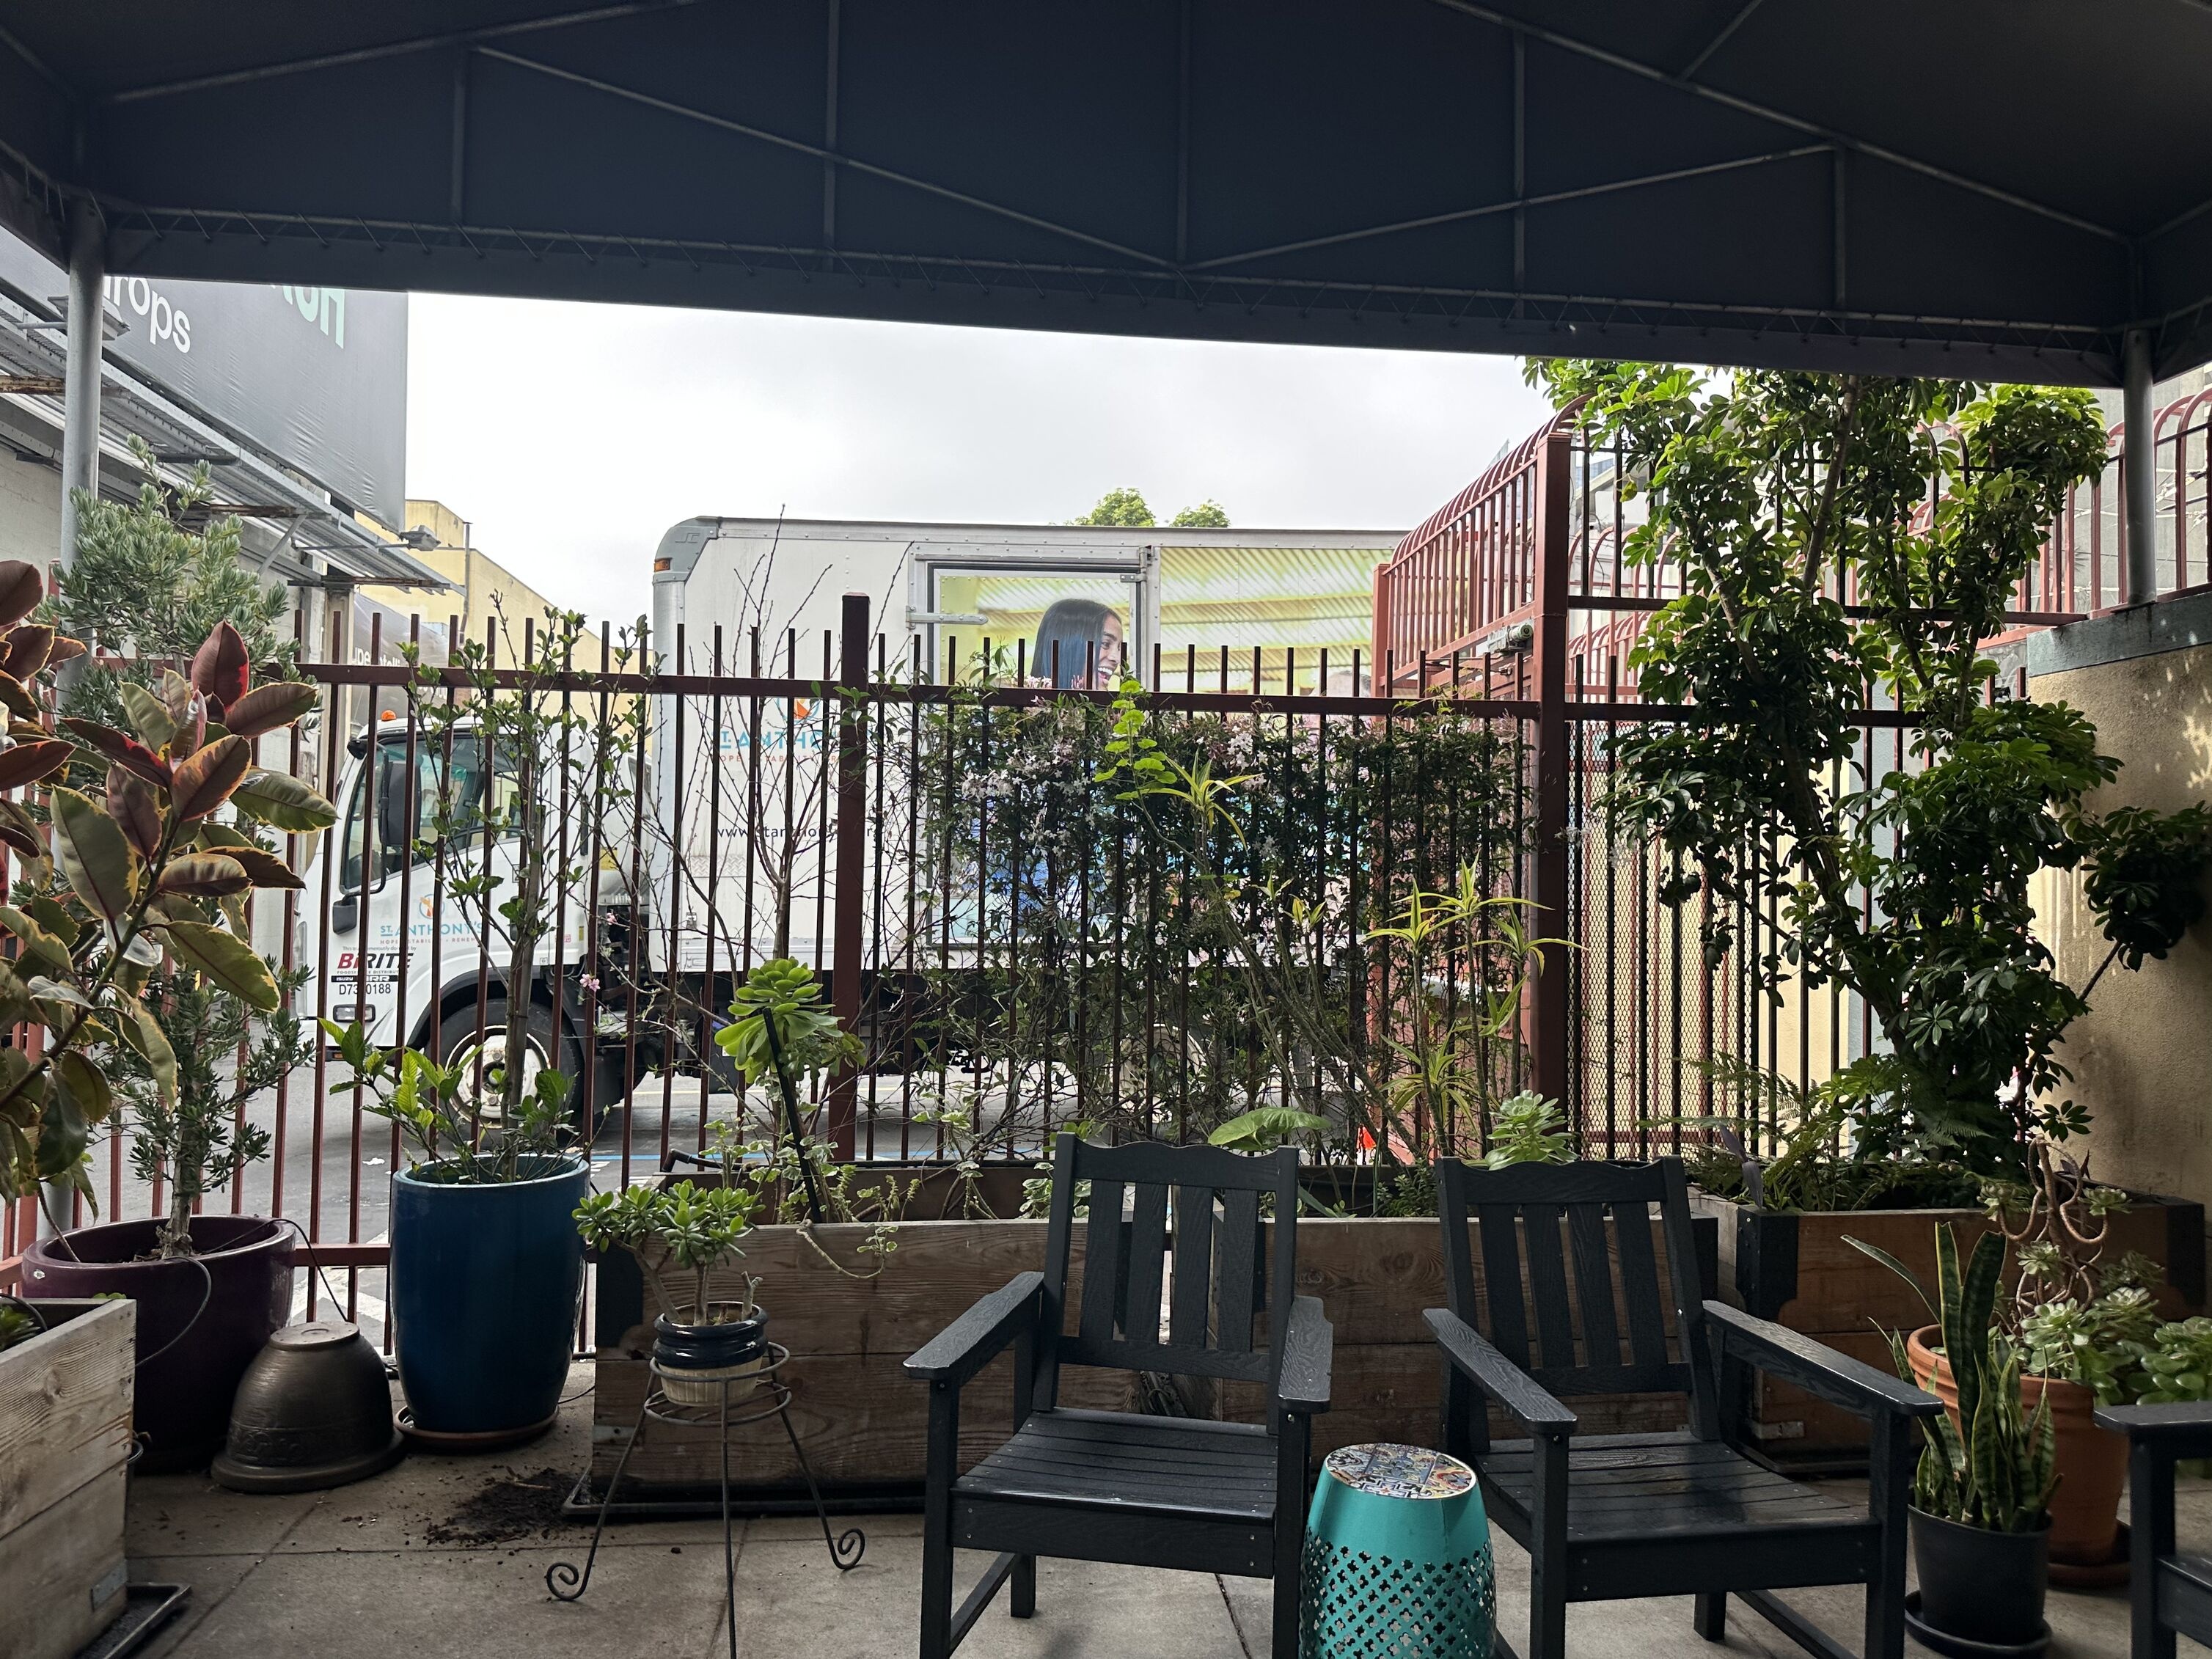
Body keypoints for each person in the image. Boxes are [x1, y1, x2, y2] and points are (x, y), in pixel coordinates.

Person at [1031, 598, 1124, 689]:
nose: (1117, 659)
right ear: (1069, 648)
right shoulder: (1023, 703)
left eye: (1119, 648)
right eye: (1106, 644)